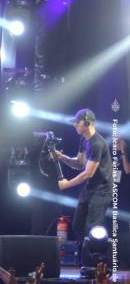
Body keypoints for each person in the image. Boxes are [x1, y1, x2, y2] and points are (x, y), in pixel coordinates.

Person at [53, 108, 112, 264]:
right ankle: (90, 259)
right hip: (90, 188)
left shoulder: (97, 143)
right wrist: (61, 157)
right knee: (78, 225)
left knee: (92, 227)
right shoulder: (83, 140)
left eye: (77, 122)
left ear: (87, 123)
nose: (75, 125)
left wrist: (67, 184)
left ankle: (94, 264)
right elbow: (79, 164)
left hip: (102, 190)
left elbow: (88, 173)